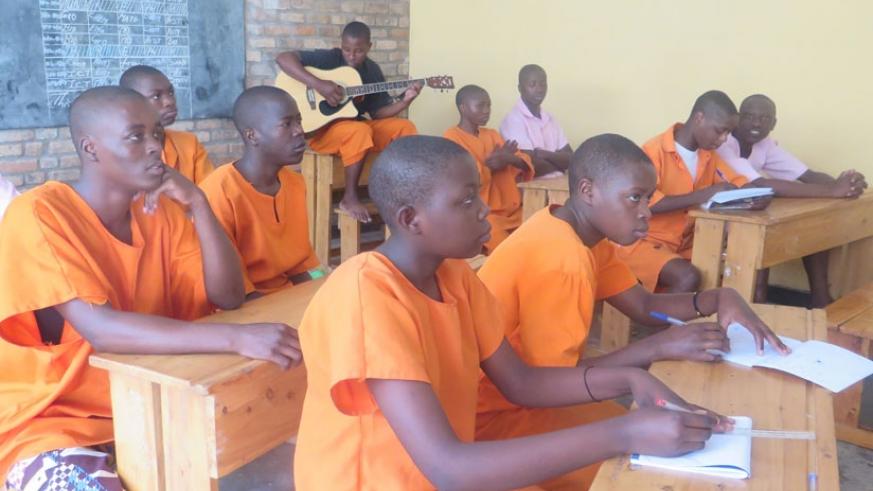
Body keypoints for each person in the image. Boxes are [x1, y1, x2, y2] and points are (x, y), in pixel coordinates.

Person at [293, 135, 731, 491]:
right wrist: (624, 433)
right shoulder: (366, 294)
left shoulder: (456, 278)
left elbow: (523, 382)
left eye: (480, 194)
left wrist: (633, 379)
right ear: (411, 219)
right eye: (466, 201)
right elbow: (450, 469)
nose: (485, 209)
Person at [0, 87, 301, 490]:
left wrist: (197, 202)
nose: (156, 148)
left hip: (152, 404)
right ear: (91, 149)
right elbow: (102, 330)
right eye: (135, 136)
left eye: (157, 134)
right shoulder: (40, 213)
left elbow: (228, 296)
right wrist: (237, 337)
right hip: (55, 421)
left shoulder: (159, 213)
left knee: (285, 463)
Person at [476, 133, 788, 489]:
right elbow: (545, 384)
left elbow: (644, 305)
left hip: (530, 401)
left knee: (664, 435)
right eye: (634, 198)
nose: (647, 212)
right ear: (588, 190)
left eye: (649, 198)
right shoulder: (563, 258)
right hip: (497, 422)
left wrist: (716, 298)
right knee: (647, 472)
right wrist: (657, 347)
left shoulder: (575, 231)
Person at [717, 94, 868, 306]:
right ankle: (757, 302)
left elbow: (807, 174)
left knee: (813, 225)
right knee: (767, 233)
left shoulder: (765, 145)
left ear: (774, 123)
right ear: (738, 118)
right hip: (715, 217)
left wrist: (845, 183)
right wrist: (834, 190)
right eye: (750, 116)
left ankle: (820, 299)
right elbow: (763, 185)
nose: (756, 123)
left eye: (764, 118)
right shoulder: (724, 144)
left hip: (749, 213)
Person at [275, 21, 419, 222]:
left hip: (354, 128)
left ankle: (402, 193)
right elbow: (283, 59)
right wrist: (319, 85)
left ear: (370, 47)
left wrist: (406, 100)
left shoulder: (372, 71)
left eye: (359, 51)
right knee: (359, 131)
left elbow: (378, 113)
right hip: (323, 131)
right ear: (341, 45)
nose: (351, 55)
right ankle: (349, 197)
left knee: (405, 127)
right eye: (347, 49)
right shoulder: (330, 58)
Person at [616, 90, 750, 293]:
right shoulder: (653, 152)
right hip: (643, 240)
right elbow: (647, 203)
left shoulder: (708, 155)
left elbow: (735, 181)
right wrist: (705, 194)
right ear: (699, 118)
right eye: (720, 131)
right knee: (688, 277)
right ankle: (658, 322)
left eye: (728, 134)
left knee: (732, 270)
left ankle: (677, 320)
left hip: (686, 242)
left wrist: (751, 195)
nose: (723, 139)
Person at [200, 86, 320, 297]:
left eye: (299, 121)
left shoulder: (294, 183)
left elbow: (297, 267)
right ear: (252, 135)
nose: (299, 131)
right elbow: (230, 292)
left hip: (283, 296)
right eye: (286, 124)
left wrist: (315, 299)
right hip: (238, 305)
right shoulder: (219, 191)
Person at [444, 85, 534, 253]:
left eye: (489, 105)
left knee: (539, 232)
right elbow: (466, 178)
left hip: (513, 211)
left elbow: (524, 161)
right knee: (510, 252)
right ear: (463, 108)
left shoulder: (491, 134)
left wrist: (510, 159)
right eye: (480, 106)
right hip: (482, 214)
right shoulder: (452, 137)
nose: (486, 111)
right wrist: (492, 165)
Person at [119, 65, 214, 183]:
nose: (169, 102)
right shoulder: (118, 151)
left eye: (170, 92)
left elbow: (210, 195)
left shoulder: (188, 143)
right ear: (131, 103)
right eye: (156, 96)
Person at [499, 64, 572, 178]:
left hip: (558, 186)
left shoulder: (551, 119)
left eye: (543, 84)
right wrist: (559, 164)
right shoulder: (513, 120)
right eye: (532, 84)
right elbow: (530, 164)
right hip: (531, 190)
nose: (539, 89)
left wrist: (545, 154)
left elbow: (571, 158)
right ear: (520, 88)